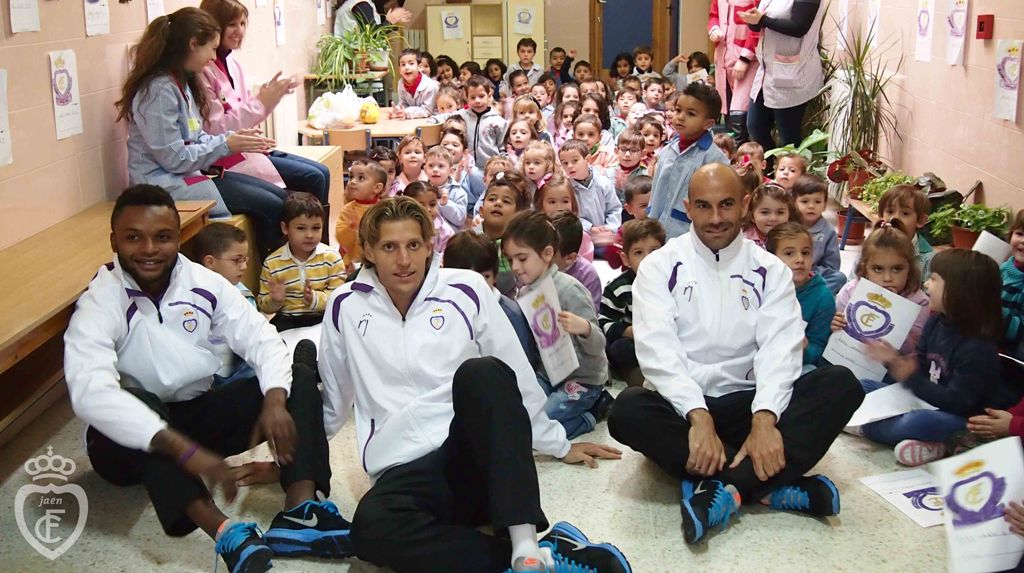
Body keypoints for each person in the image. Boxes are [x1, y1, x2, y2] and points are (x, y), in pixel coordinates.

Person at [318, 197, 629, 573]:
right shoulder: (344, 306)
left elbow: (514, 376)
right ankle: (540, 560)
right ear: (368, 250)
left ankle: (525, 544)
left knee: (481, 372)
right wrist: (300, 464)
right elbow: (334, 401)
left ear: (429, 245)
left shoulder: (465, 288)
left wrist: (558, 444)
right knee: (369, 529)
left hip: (479, 463)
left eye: (413, 245)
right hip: (404, 472)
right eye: (389, 247)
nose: (404, 260)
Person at [65, 185, 350, 573]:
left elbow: (260, 336)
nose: (149, 248)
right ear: (114, 240)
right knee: (137, 402)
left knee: (296, 376)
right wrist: (183, 451)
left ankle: (300, 512)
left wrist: (274, 397)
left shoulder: (203, 282)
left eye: (163, 236)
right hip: (126, 443)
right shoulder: (101, 298)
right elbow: (89, 392)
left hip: (196, 414)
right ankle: (226, 532)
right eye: (134, 237)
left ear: (178, 237)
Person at [607, 164, 863, 545]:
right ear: (687, 207)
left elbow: (781, 347)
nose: (715, 218)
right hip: (683, 410)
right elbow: (657, 351)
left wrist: (765, 419)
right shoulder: (660, 266)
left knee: (841, 385)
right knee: (627, 410)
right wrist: (698, 416)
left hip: (750, 403)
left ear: (744, 205)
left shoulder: (769, 269)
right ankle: (771, 486)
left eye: (726, 205)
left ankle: (727, 488)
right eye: (704, 206)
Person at [116, 9, 283, 253]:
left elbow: (196, 136)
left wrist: (232, 139)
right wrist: (227, 145)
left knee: (280, 199)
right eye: (212, 49)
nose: (214, 57)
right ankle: (272, 276)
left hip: (186, 174)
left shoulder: (181, 82)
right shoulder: (158, 91)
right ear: (193, 44)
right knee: (272, 207)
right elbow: (174, 159)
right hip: (162, 183)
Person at [859, 250, 1016, 466]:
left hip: (957, 418)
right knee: (862, 386)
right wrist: (894, 360)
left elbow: (955, 403)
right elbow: (921, 366)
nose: (926, 285)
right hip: (925, 400)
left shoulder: (978, 348)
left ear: (959, 292)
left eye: (933, 279)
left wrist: (910, 376)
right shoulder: (936, 322)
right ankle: (921, 443)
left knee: (918, 422)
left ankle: (860, 425)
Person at [199, 0, 333, 244]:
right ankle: (296, 257)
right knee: (306, 182)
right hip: (224, 158)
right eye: (231, 24)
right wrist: (262, 102)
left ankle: (320, 254)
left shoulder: (232, 64)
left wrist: (269, 97)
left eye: (242, 23)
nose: (239, 30)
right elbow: (217, 127)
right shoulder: (202, 71)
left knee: (321, 172)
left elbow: (241, 110)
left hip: (246, 148)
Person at [505, 211, 614, 440]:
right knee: (519, 415)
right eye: (510, 259)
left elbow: (599, 343)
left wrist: (583, 327)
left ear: (546, 254)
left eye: (522, 258)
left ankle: (594, 411)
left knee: (542, 426)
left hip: (582, 379)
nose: (515, 267)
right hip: (548, 373)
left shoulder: (569, 289)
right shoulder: (525, 293)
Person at [832, 221, 931, 355]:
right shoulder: (851, 291)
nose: (887, 278)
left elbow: (913, 349)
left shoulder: (919, 302)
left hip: (889, 370)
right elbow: (836, 335)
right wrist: (834, 325)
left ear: (909, 270)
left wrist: (894, 309)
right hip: (847, 359)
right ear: (865, 268)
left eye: (897, 269)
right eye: (878, 269)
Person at [739, 0, 827, 149]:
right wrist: (754, 21)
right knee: (755, 126)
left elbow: (799, 27)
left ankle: (789, 171)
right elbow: (762, 21)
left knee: (789, 138)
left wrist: (763, 20)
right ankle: (768, 168)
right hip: (767, 72)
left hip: (794, 73)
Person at [648, 83, 730, 239]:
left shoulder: (715, 160)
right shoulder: (667, 150)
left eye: (691, 113)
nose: (680, 117)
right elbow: (656, 190)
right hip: (656, 229)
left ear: (708, 123)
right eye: (678, 110)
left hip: (689, 234)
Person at [258, 193, 345, 331]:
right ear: (285, 228)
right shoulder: (272, 263)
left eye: (316, 228)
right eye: (301, 228)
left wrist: (315, 298)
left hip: (322, 316)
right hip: (287, 319)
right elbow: (263, 304)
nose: (310, 235)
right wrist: (275, 300)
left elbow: (340, 296)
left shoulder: (332, 258)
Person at [600, 218, 666, 387]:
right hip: (634, 342)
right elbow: (604, 322)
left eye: (654, 251)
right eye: (638, 253)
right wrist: (631, 332)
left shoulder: (673, 284)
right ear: (626, 259)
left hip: (665, 341)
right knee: (618, 348)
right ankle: (640, 382)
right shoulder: (618, 289)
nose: (647, 259)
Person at [766, 222, 834, 368]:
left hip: (795, 366)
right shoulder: (761, 287)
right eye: (789, 253)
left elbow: (818, 348)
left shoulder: (823, 297)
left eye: (805, 253)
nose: (800, 259)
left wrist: (804, 349)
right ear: (771, 258)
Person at [708, 0, 761, 143]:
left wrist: (745, 58)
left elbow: (758, 26)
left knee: (740, 118)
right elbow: (714, 14)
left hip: (747, 62)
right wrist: (713, 29)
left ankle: (743, 162)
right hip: (724, 61)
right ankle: (731, 161)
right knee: (729, 119)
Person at [431, 75, 508, 168]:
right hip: (468, 169)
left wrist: (503, 166)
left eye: (481, 96)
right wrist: (433, 120)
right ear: (467, 99)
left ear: (489, 96)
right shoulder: (463, 115)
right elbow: (446, 116)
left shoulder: (498, 121)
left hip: (492, 169)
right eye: (473, 97)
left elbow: (503, 148)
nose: (477, 101)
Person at [558, 139, 622, 249]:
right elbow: (569, 215)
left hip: (606, 237)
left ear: (587, 159)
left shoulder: (603, 183)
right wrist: (589, 228)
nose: (570, 166)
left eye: (575, 160)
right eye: (565, 163)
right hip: (581, 238)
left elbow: (614, 209)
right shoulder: (566, 188)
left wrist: (610, 228)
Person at [793, 174, 845, 293]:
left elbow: (832, 266)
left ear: (825, 205)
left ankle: (811, 295)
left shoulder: (829, 231)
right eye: (805, 201)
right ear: (794, 202)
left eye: (817, 202)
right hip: (790, 272)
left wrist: (810, 273)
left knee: (839, 278)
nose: (811, 206)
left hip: (813, 276)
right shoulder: (788, 225)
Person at [878, 184, 936, 284]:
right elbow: (854, 283)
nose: (895, 218)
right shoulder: (871, 246)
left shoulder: (929, 260)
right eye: (890, 211)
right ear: (881, 215)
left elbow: (930, 297)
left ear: (921, 220)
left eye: (905, 213)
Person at [337, 160, 386, 272]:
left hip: (379, 261)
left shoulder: (383, 208)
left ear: (377, 188)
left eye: (361, 178)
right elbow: (341, 237)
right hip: (353, 262)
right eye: (351, 177)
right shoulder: (348, 210)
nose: (353, 182)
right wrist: (350, 229)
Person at [551, 212, 602, 312]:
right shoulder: (535, 265)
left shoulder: (587, 275)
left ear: (570, 258)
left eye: (550, 253)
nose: (541, 256)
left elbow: (591, 315)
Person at [742, 182, 797, 248]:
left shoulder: (794, 239)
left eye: (780, 212)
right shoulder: (743, 240)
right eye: (765, 212)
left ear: (789, 214)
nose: (773, 218)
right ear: (752, 216)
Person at [391, 48, 440, 119]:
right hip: (413, 120)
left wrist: (407, 112)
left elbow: (427, 110)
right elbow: (404, 103)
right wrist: (398, 111)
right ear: (399, 70)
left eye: (411, 63)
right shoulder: (401, 83)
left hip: (431, 120)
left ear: (420, 67)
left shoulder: (431, 86)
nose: (407, 67)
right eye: (403, 64)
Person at [1002, 209, 1024, 359]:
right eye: (1020, 234)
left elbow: (1019, 331)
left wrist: (990, 311)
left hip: (1010, 356)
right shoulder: (1003, 267)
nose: (1023, 240)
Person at [333, 0, 411, 38]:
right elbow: (373, 33)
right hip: (355, 58)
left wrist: (390, 19)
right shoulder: (360, 3)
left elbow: (370, 23)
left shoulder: (355, 2)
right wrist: (390, 21)